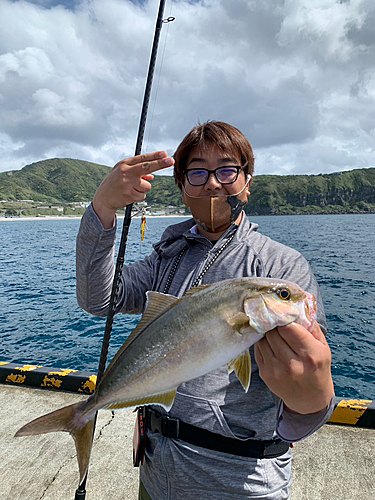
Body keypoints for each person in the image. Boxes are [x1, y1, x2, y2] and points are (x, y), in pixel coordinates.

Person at [76, 121, 335, 500]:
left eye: (227, 170)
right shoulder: (167, 256)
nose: (212, 184)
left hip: (239, 483)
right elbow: (100, 299)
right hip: (155, 471)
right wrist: (102, 209)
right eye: (197, 172)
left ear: (247, 181)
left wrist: (313, 398)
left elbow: (304, 386)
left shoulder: (280, 267)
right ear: (182, 187)